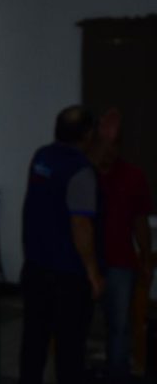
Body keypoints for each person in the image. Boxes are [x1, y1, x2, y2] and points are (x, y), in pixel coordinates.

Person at [19, 105, 103, 384]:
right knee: (70, 349)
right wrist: (93, 273)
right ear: (87, 134)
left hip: (35, 268)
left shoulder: (41, 157)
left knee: (33, 342)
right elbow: (81, 225)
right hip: (68, 277)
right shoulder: (80, 171)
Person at [93, 108, 153, 383]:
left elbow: (140, 222)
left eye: (113, 144)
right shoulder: (84, 173)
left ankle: (117, 375)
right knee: (76, 323)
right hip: (84, 262)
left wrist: (146, 258)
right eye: (103, 143)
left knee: (119, 326)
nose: (108, 150)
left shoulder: (132, 176)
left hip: (120, 262)